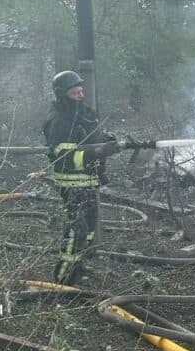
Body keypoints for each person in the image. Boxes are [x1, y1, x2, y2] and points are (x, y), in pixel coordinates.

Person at [43, 71, 154, 284]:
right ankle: (63, 278)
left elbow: (92, 136)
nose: (79, 92)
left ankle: (79, 266)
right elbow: (64, 158)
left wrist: (107, 140)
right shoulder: (58, 121)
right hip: (73, 184)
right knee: (77, 230)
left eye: (80, 88)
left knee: (90, 228)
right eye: (74, 90)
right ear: (61, 93)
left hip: (90, 180)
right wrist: (99, 152)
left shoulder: (83, 112)